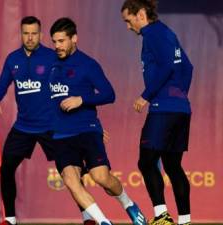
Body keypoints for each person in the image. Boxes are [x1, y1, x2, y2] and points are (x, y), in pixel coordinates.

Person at [0, 16, 95, 225]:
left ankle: (87, 216)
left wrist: (84, 113)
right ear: (21, 34)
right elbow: (3, 83)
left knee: (71, 170)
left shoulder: (52, 57)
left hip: (51, 126)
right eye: (26, 33)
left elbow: (72, 83)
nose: (30, 38)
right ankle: (10, 219)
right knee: (7, 168)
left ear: (40, 34)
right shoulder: (13, 59)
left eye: (34, 33)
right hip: (23, 126)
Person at [49, 17, 147, 225]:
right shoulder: (50, 65)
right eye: (54, 42)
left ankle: (128, 203)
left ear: (74, 39)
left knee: (101, 177)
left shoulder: (88, 64)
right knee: (70, 180)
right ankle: (103, 222)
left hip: (87, 129)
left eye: (61, 41)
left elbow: (109, 94)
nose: (57, 46)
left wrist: (81, 99)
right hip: (61, 134)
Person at [121, 1, 193, 225]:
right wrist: (179, 94)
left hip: (164, 109)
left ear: (141, 14)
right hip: (180, 108)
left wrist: (147, 95)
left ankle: (162, 217)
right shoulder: (166, 32)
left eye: (128, 20)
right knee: (172, 165)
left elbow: (166, 67)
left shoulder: (152, 33)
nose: (128, 26)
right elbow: (187, 67)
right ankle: (184, 221)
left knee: (146, 162)